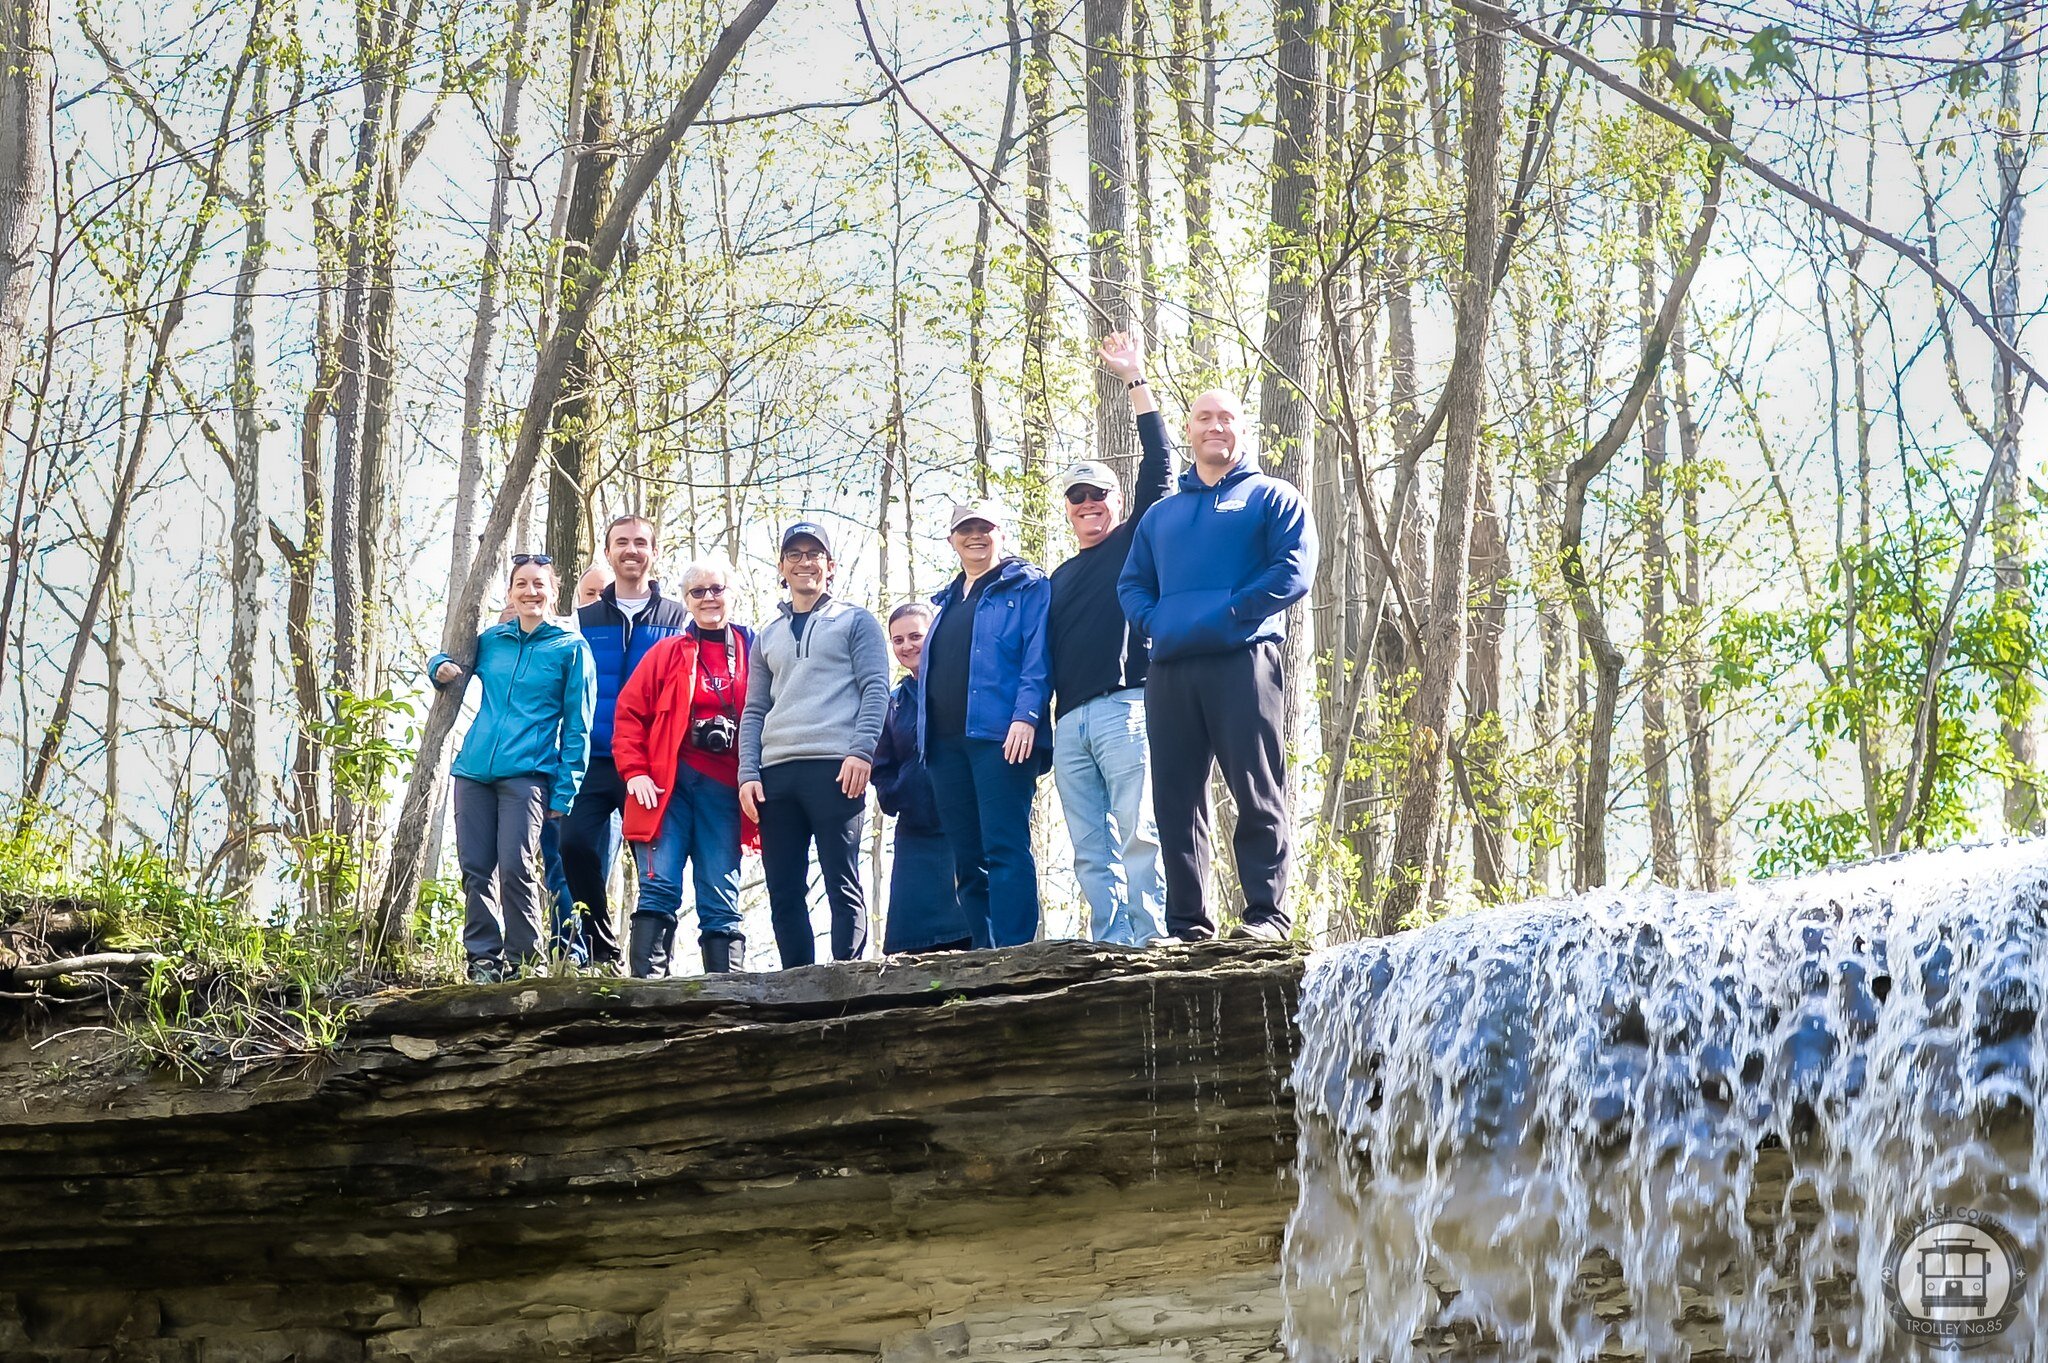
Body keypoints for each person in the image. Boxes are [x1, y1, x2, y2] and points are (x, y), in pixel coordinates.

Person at [1117, 386, 1315, 943]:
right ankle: (1186, 925)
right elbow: (1132, 585)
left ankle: (1267, 916)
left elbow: (1293, 571)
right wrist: (1156, 624)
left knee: (1256, 787)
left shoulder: (1272, 497)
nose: (1215, 426)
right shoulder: (1161, 516)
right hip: (1172, 668)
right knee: (1175, 799)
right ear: (1190, 430)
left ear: (1242, 428)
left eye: (1226, 417)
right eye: (1204, 418)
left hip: (1244, 658)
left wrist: (1233, 612)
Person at [1047, 331, 1175, 947]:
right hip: (1068, 722)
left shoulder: (1132, 540)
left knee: (1140, 830)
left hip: (1126, 705)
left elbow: (1162, 466)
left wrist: (1134, 380)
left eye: (1098, 495)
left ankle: (1151, 941)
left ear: (1116, 500)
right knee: (1088, 847)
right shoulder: (1057, 576)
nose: (1089, 505)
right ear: (1067, 512)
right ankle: (1111, 943)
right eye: (1078, 499)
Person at [430, 554, 596, 982]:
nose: (530, 592)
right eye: (521, 584)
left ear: (553, 592)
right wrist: (438, 667)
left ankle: (525, 961)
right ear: (510, 592)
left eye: (539, 584)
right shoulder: (491, 641)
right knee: (475, 867)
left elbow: (578, 727)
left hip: (528, 774)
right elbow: (450, 659)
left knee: (516, 866)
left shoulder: (571, 648)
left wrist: (566, 791)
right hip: (473, 772)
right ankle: (482, 959)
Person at [737, 521, 892, 968]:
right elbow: (753, 710)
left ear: (830, 566)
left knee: (841, 877)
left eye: (814, 554)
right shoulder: (767, 635)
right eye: (795, 554)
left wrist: (862, 751)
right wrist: (748, 773)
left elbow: (875, 688)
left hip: (835, 768)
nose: (805, 562)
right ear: (782, 567)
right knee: (784, 888)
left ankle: (846, 978)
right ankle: (797, 983)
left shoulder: (855, 621)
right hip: (776, 774)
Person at [610, 558, 756, 977]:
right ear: (686, 601)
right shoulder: (667, 652)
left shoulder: (754, 649)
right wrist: (635, 771)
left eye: (717, 589)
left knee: (720, 891)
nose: (709, 598)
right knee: (659, 885)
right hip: (665, 787)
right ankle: (648, 989)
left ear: (732, 593)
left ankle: (725, 990)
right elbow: (629, 714)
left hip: (727, 789)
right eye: (698, 592)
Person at [918, 500, 1053, 950]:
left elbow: (1037, 658)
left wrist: (1027, 717)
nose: (975, 535)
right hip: (943, 744)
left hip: (1000, 737)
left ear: (1001, 532)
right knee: (967, 854)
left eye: (985, 527)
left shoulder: (1026, 586)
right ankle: (982, 950)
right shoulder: (946, 601)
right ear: (952, 539)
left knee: (1004, 846)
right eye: (965, 529)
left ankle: (1015, 951)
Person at [561, 515, 692, 970]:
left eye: (640, 542)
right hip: (594, 758)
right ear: (608, 551)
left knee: (655, 866)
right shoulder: (581, 620)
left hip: (652, 764)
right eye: (622, 542)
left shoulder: (679, 618)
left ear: (654, 551)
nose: (631, 550)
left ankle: (654, 964)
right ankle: (600, 950)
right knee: (574, 844)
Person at [871, 602, 972, 954]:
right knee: (910, 946)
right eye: (898, 640)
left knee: (969, 934)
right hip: (915, 834)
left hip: (961, 827)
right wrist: (900, 794)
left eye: (916, 636)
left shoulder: (962, 683)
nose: (907, 646)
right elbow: (880, 765)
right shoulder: (894, 703)